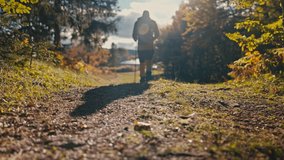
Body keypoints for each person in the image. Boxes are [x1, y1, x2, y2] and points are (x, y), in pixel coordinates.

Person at [132, 10, 159, 83]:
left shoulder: (137, 22)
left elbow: (134, 34)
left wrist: (135, 38)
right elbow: (157, 34)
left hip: (141, 45)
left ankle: (142, 77)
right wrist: (152, 39)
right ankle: (149, 76)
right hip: (150, 45)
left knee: (142, 61)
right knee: (149, 61)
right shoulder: (153, 22)